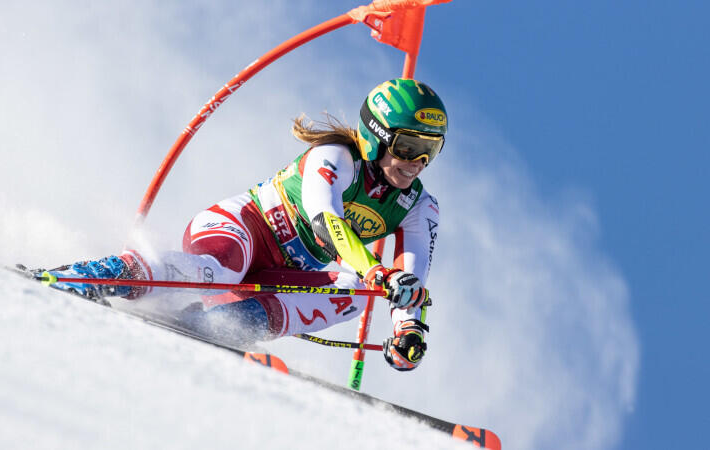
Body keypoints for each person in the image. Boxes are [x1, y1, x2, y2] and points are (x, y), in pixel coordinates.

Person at [44, 78, 446, 371]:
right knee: (218, 269)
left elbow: (410, 279)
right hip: (243, 231)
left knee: (360, 293)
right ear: (377, 137)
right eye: (408, 146)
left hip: (280, 276)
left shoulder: (419, 206)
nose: (416, 162)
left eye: (430, 150)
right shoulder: (337, 157)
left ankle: (226, 325)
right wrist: (377, 270)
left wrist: (409, 328)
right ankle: (95, 275)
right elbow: (326, 221)